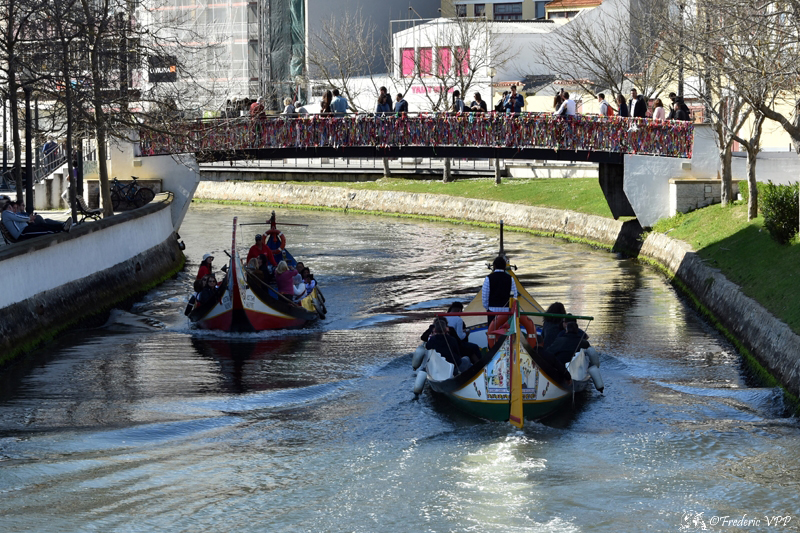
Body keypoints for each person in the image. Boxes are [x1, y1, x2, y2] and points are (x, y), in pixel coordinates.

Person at [2, 201, 71, 241]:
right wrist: (29, 218)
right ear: (7, 208)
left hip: (25, 229)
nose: (12, 209)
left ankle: (63, 226)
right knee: (43, 230)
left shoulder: (9, 215)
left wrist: (28, 220)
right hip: (22, 233)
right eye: (10, 207)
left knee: (42, 225)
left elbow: (18, 220)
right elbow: (18, 218)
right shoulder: (5, 213)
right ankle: (62, 229)